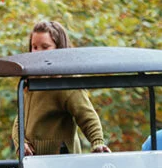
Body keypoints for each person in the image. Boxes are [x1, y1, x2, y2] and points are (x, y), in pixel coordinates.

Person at [12, 20, 111, 156]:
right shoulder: (30, 82)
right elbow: (19, 120)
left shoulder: (66, 81)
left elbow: (87, 115)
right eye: (34, 47)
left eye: (45, 47)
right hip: (32, 161)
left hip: (62, 160)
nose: (37, 53)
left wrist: (98, 142)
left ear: (59, 49)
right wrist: (21, 143)